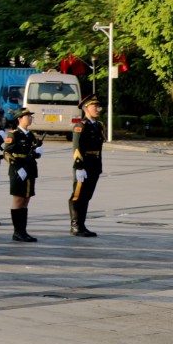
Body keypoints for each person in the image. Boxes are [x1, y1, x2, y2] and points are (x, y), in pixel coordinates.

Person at [69, 94, 105, 237]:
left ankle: (82, 225)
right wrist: (79, 167)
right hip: (83, 166)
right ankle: (75, 225)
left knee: (87, 196)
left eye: (98, 106)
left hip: (94, 165)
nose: (98, 109)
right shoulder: (80, 126)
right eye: (94, 106)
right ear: (86, 108)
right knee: (78, 196)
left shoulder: (98, 125)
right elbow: (77, 148)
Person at [4, 107, 41, 242]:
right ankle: (17, 232)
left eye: (31, 116)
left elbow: (32, 152)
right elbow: (6, 153)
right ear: (19, 119)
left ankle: (23, 231)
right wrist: (17, 167)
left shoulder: (30, 135)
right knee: (18, 200)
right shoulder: (14, 134)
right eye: (27, 117)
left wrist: (37, 152)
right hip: (18, 170)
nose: (30, 118)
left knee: (26, 199)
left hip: (30, 169)